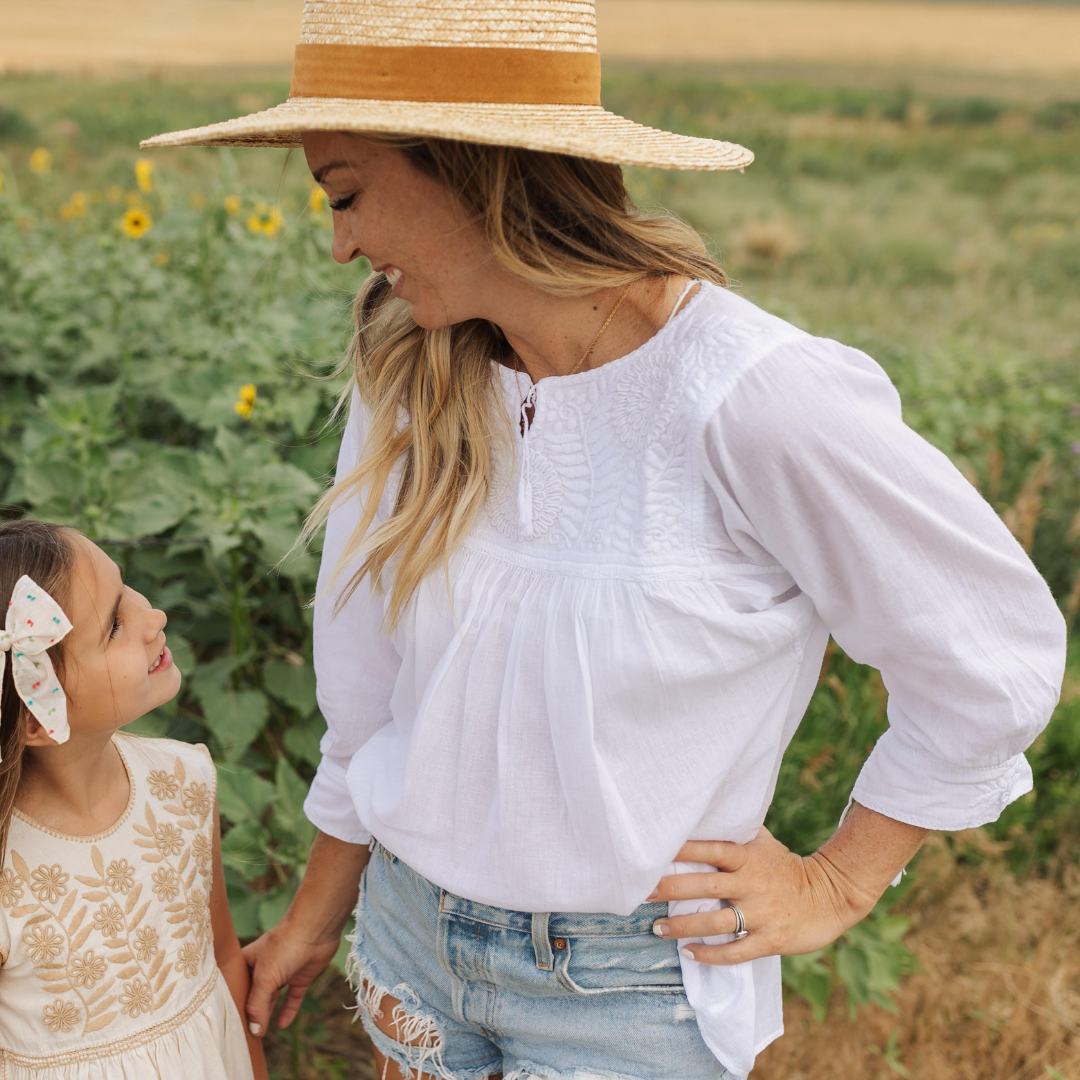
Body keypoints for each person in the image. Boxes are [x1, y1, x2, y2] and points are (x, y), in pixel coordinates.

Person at [143, 2, 1066, 1077]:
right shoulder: (411, 372)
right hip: (408, 941)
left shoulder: (750, 398)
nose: (341, 241)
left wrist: (840, 880)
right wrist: (314, 917)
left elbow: (987, 655)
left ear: (477, 169)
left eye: (345, 193)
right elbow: (371, 697)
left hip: (627, 990)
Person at [0, 520, 267, 1080]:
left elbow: (222, 956)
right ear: (36, 716)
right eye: (116, 624)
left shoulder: (185, 780)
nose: (154, 618)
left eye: (127, 591)